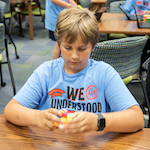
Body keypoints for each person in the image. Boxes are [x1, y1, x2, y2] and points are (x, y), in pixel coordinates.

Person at [4, 6, 144, 134]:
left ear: (93, 46)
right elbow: (10, 110)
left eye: (82, 49)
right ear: (59, 44)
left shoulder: (104, 73)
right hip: (51, 143)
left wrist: (98, 121)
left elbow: (137, 118)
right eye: (67, 47)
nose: (74, 56)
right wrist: (37, 117)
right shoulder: (46, 72)